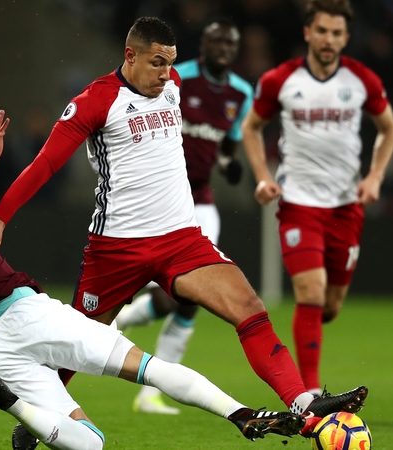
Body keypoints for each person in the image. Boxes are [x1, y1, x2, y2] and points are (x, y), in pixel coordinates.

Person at [0, 16, 367, 430]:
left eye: (171, 63)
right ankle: (38, 415)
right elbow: (46, 163)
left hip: (182, 240)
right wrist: (0, 217)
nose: (166, 74)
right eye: (157, 63)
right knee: (78, 344)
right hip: (116, 249)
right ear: (130, 55)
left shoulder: (173, 86)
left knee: (249, 308)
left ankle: (304, 401)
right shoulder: (95, 100)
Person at [0, 111, 306, 450]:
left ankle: (12, 404)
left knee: (89, 442)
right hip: (27, 315)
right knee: (148, 368)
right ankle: (240, 413)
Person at [240, 0, 393, 395]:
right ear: (308, 33)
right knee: (309, 292)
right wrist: (263, 177)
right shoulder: (281, 80)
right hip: (298, 204)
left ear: (346, 37)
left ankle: (312, 337)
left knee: (329, 305)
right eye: (322, 31)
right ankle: (310, 394)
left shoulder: (362, 80)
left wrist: (375, 176)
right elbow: (251, 127)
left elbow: (389, 128)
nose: (328, 39)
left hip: (346, 207)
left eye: (336, 33)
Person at [113, 17, 253, 415]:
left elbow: (227, 144)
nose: (223, 48)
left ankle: (148, 387)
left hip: (202, 200)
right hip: (160, 195)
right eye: (216, 41)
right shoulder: (174, 77)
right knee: (180, 291)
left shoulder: (242, 93)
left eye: (230, 42)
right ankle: (119, 319)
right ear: (204, 46)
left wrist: (229, 164)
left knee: (194, 295)